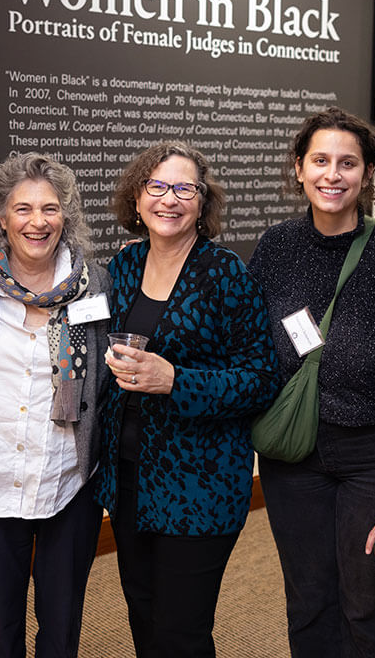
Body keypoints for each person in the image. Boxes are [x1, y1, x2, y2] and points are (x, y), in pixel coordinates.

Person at [248, 107, 375, 657]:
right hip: (295, 458)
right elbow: (250, 349)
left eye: (347, 163)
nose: (332, 174)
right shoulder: (275, 248)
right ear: (298, 168)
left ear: (367, 174)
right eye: (320, 160)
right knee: (309, 600)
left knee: (367, 605)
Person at [95, 141, 279, 657]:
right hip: (130, 475)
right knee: (143, 614)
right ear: (137, 200)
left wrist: (176, 379)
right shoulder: (125, 266)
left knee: (181, 632)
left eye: (184, 188)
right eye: (156, 186)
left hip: (201, 483)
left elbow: (260, 379)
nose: (168, 199)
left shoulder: (225, 274)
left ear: (203, 202)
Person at [0, 152, 109, 658]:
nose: (38, 222)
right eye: (23, 209)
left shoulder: (95, 283)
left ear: (66, 216)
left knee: (61, 634)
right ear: (1, 217)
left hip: (67, 483)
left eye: (51, 208)